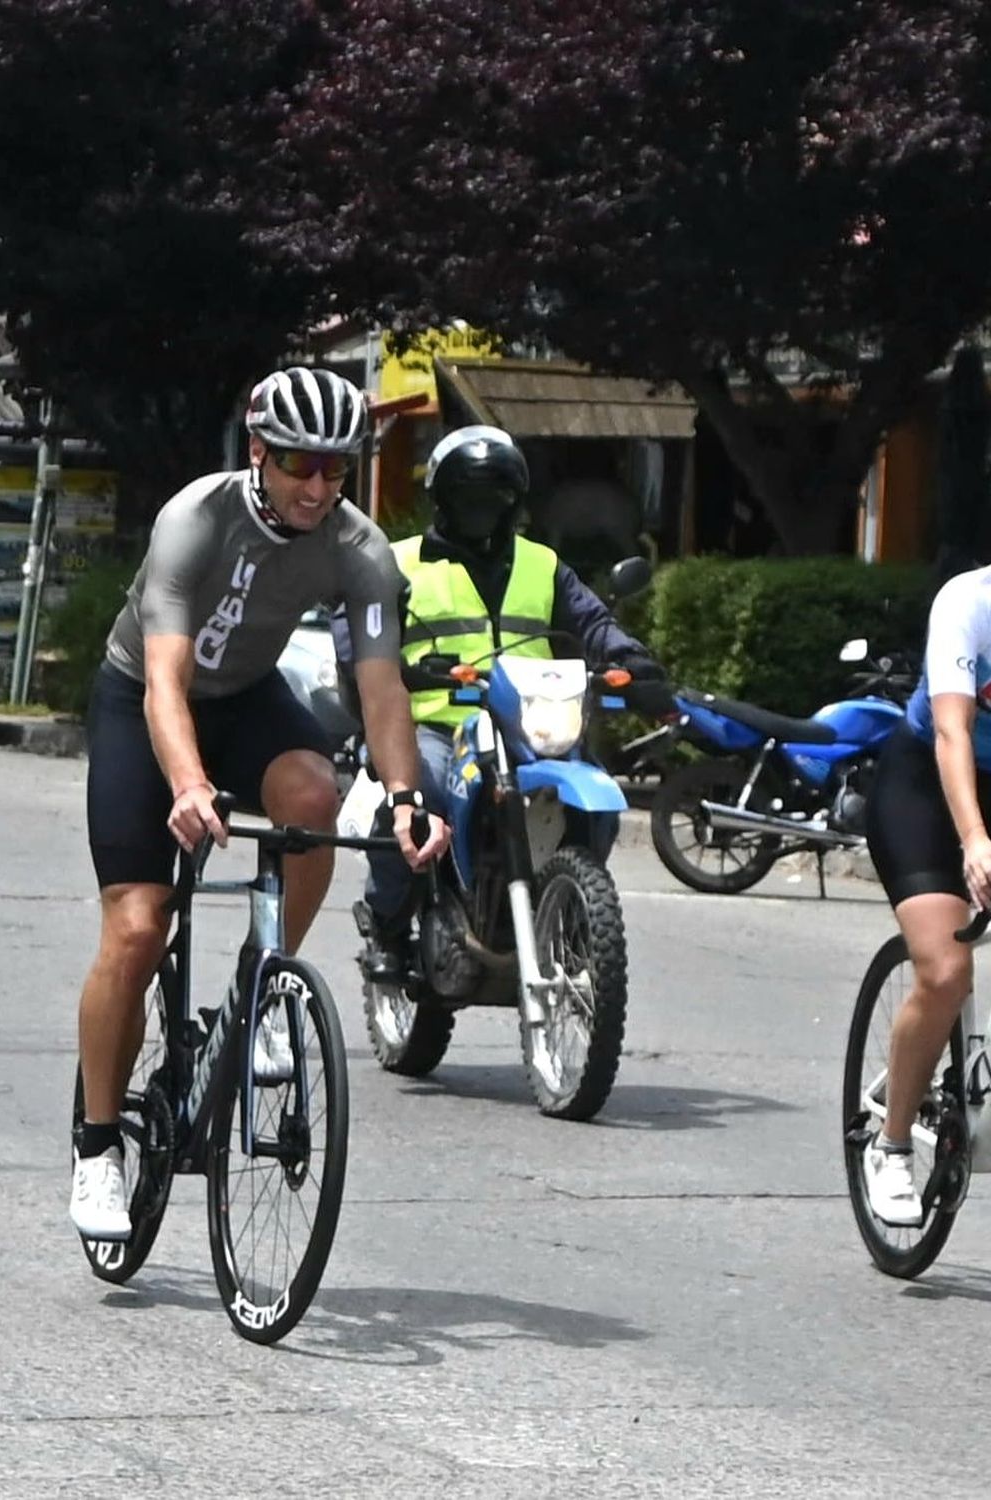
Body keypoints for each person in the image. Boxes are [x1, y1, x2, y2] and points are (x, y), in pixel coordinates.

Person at [70, 365, 451, 1240]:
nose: (318, 487)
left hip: (244, 697)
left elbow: (382, 687)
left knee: (316, 792)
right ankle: (97, 1151)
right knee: (137, 927)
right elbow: (165, 679)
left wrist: (403, 796)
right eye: (298, 465)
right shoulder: (194, 520)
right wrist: (190, 784)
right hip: (145, 698)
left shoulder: (358, 549)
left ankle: (261, 991)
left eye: (337, 469)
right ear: (258, 453)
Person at [358, 424, 669, 981]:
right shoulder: (397, 563)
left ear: (514, 501)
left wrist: (634, 664)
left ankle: (572, 912)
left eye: (496, 495)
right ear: (443, 499)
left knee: (592, 794)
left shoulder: (543, 565)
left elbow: (593, 623)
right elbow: (361, 636)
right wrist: (396, 669)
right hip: (434, 726)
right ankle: (387, 924)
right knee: (414, 795)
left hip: (528, 721)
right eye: (469, 494)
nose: (483, 507)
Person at [861, 461, 991, 1227]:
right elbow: (953, 730)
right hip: (927, 780)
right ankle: (890, 1146)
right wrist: (975, 838)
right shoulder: (971, 602)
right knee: (946, 968)